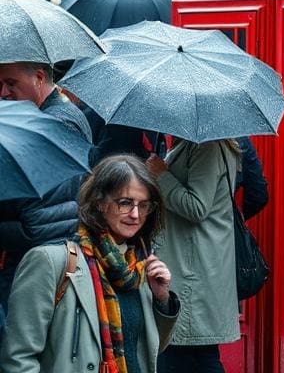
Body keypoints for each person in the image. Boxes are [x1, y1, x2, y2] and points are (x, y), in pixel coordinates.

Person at [0, 154, 179, 373]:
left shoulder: (138, 266)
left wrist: (162, 300)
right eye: (125, 203)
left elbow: (148, 348)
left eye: (143, 205)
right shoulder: (51, 261)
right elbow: (18, 358)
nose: (135, 214)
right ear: (100, 202)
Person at [0, 61, 92, 313]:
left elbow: (39, 226)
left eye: (11, 83)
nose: (4, 93)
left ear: (39, 77)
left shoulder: (50, 126)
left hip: (36, 267)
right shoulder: (60, 115)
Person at [148, 138, 240, 373]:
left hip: (195, 270)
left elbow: (197, 207)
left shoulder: (207, 147)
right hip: (189, 264)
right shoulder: (186, 144)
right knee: (189, 354)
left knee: (193, 354)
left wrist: (161, 175)